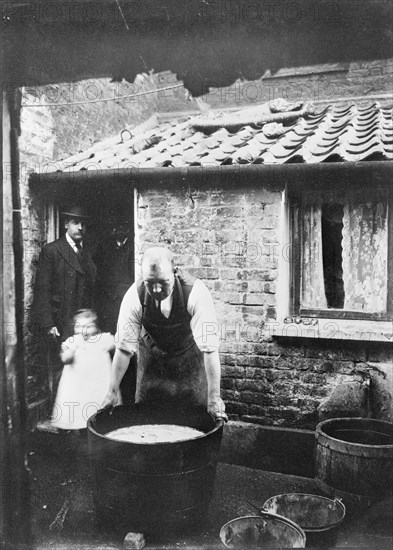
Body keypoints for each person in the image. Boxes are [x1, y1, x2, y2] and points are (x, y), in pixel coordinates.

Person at [102, 246, 227, 420]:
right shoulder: (134, 296)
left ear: (174, 272)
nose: (156, 290)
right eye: (150, 283)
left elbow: (210, 349)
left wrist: (214, 398)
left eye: (163, 282)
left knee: (193, 419)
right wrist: (111, 392)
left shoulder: (196, 292)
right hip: (152, 358)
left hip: (189, 358)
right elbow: (124, 349)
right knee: (147, 418)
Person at [33, 205, 97, 403]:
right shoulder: (52, 250)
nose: (80, 227)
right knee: (62, 368)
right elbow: (42, 290)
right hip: (60, 321)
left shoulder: (86, 253)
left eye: (83, 223)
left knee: (82, 366)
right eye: (76, 223)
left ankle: (78, 412)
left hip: (81, 322)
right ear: (65, 225)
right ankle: (62, 417)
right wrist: (48, 324)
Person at [94, 216, 136, 403]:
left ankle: (129, 396)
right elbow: (100, 277)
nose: (119, 230)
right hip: (109, 308)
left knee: (129, 348)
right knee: (113, 348)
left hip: (128, 305)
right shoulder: (105, 249)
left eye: (123, 226)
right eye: (116, 227)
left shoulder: (135, 247)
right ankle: (113, 395)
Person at [51, 309, 116, 430]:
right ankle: (77, 433)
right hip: (77, 390)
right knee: (78, 417)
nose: (83, 330)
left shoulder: (103, 340)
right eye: (79, 326)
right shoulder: (72, 342)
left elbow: (119, 344)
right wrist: (72, 350)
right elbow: (65, 358)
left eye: (89, 326)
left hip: (96, 387)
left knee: (98, 416)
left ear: (96, 327)